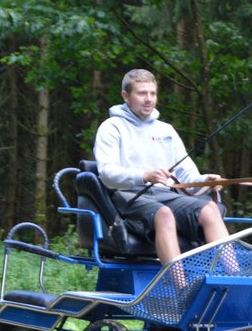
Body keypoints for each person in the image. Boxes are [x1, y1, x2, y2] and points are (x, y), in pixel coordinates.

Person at [93, 68, 232, 269]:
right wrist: (144, 175)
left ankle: (233, 278)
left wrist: (204, 181)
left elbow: (187, 175)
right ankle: (179, 285)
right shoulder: (111, 127)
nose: (148, 99)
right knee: (164, 213)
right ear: (126, 96)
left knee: (210, 209)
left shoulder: (166, 130)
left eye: (153, 93)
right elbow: (107, 174)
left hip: (166, 195)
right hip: (129, 197)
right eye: (142, 93)